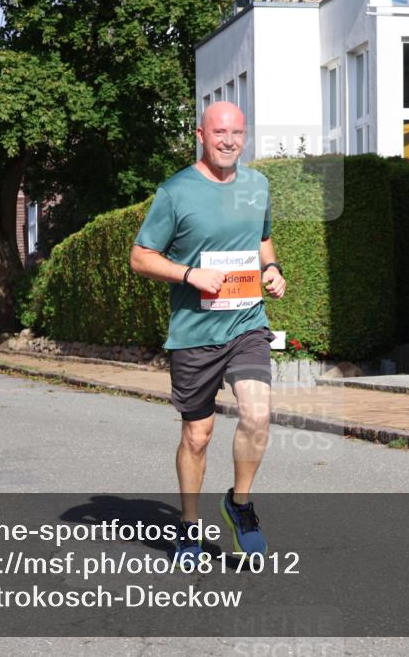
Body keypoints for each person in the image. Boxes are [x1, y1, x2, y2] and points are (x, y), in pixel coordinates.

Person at [130, 101, 286, 566]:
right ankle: (190, 525)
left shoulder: (257, 186)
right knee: (198, 436)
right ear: (201, 134)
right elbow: (140, 257)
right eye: (219, 132)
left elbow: (262, 239)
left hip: (247, 323)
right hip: (195, 331)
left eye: (237, 133)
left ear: (245, 136)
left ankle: (240, 505)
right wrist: (188, 275)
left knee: (258, 416)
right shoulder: (176, 192)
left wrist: (272, 268)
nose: (228, 141)